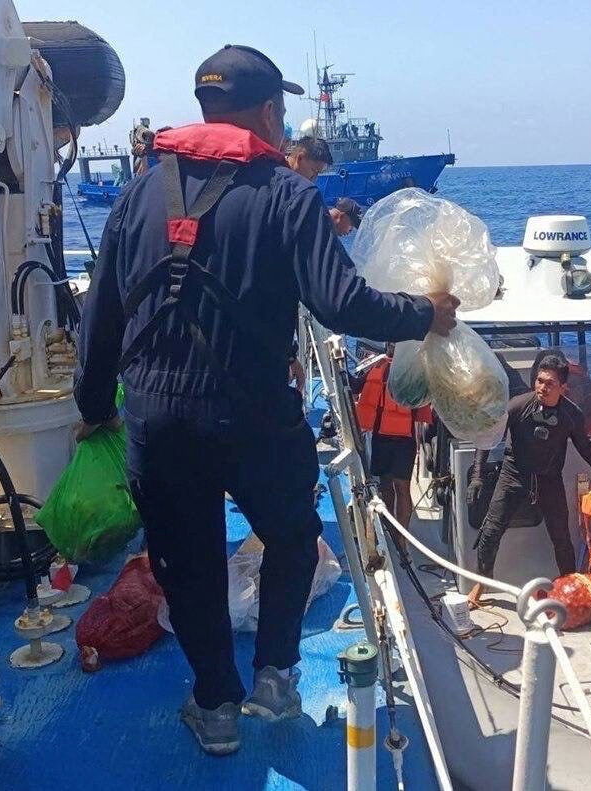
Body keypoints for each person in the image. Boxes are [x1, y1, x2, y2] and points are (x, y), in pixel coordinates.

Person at [74, 44, 459, 756]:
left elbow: (100, 316)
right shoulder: (287, 196)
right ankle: (275, 677)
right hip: (251, 409)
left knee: (185, 563)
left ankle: (216, 705)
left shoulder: (137, 195)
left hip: (157, 416)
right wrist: (423, 314)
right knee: (289, 536)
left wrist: (94, 403)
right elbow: (342, 303)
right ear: (268, 113)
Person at [465, 353, 591, 607]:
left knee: (561, 538)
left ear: (563, 387)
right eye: (539, 381)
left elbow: (585, 448)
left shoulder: (571, 415)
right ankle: (481, 583)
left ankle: (569, 587)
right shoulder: (518, 406)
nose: (542, 388)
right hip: (513, 475)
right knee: (490, 532)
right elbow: (487, 438)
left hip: (549, 479)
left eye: (550, 384)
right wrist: (477, 476)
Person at [353, 344, 432, 545]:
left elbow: (427, 394)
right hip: (381, 438)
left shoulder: (415, 373)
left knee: (401, 487)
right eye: (391, 344)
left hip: (405, 441)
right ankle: (389, 530)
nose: (393, 348)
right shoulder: (377, 367)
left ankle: (401, 537)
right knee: (386, 487)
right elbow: (356, 385)